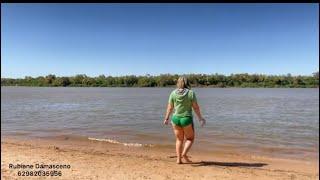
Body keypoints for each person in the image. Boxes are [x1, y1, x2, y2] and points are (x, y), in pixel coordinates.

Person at [163, 76, 206, 164]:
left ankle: (178, 160)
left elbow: (170, 107)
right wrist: (200, 118)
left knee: (179, 140)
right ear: (187, 83)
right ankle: (184, 154)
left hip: (175, 119)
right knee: (190, 139)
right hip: (186, 119)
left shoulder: (173, 93)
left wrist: (166, 118)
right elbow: (196, 107)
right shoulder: (191, 93)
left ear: (178, 83)